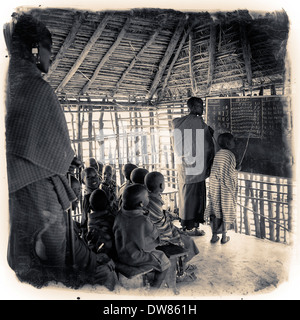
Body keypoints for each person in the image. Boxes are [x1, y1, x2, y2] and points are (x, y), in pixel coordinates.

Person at [4, 13, 117, 290]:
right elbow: (52, 139)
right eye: (48, 51)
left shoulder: (10, 81)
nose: (50, 59)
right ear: (34, 49)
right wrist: (68, 157)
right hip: (37, 179)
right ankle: (62, 283)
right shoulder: (36, 87)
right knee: (53, 241)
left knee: (27, 243)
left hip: (16, 179)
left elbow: (30, 136)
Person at [145, 171, 199, 281]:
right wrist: (172, 228)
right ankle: (181, 270)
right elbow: (161, 225)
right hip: (160, 237)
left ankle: (182, 266)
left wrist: (168, 217)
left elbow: (159, 217)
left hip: (153, 233)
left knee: (181, 234)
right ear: (161, 186)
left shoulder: (148, 197)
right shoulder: (154, 201)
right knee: (187, 241)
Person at [113, 184, 170, 288]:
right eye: (147, 197)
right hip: (135, 257)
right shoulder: (143, 220)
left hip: (120, 254)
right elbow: (155, 235)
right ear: (141, 204)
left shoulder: (119, 214)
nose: (148, 198)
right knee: (164, 260)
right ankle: (155, 288)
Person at [172, 97, 215, 236]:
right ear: (194, 107)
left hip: (183, 168)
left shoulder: (178, 122)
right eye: (201, 105)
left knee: (185, 196)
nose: (202, 108)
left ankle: (185, 226)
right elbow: (206, 145)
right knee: (195, 198)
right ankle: (192, 227)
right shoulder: (198, 122)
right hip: (196, 168)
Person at [205, 133, 240, 244]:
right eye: (233, 141)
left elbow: (216, 171)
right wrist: (237, 170)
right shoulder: (230, 155)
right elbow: (229, 174)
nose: (235, 142)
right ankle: (224, 237)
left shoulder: (218, 154)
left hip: (215, 186)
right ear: (228, 143)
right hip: (225, 188)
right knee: (226, 210)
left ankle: (214, 236)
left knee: (216, 210)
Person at [86, 189, 116, 259]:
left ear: (90, 206)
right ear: (107, 205)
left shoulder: (90, 219)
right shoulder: (110, 218)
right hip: (109, 253)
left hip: (94, 253)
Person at [81, 167, 101, 234]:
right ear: (83, 181)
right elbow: (85, 220)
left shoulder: (101, 193)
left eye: (95, 175)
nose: (93, 178)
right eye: (88, 177)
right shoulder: (87, 198)